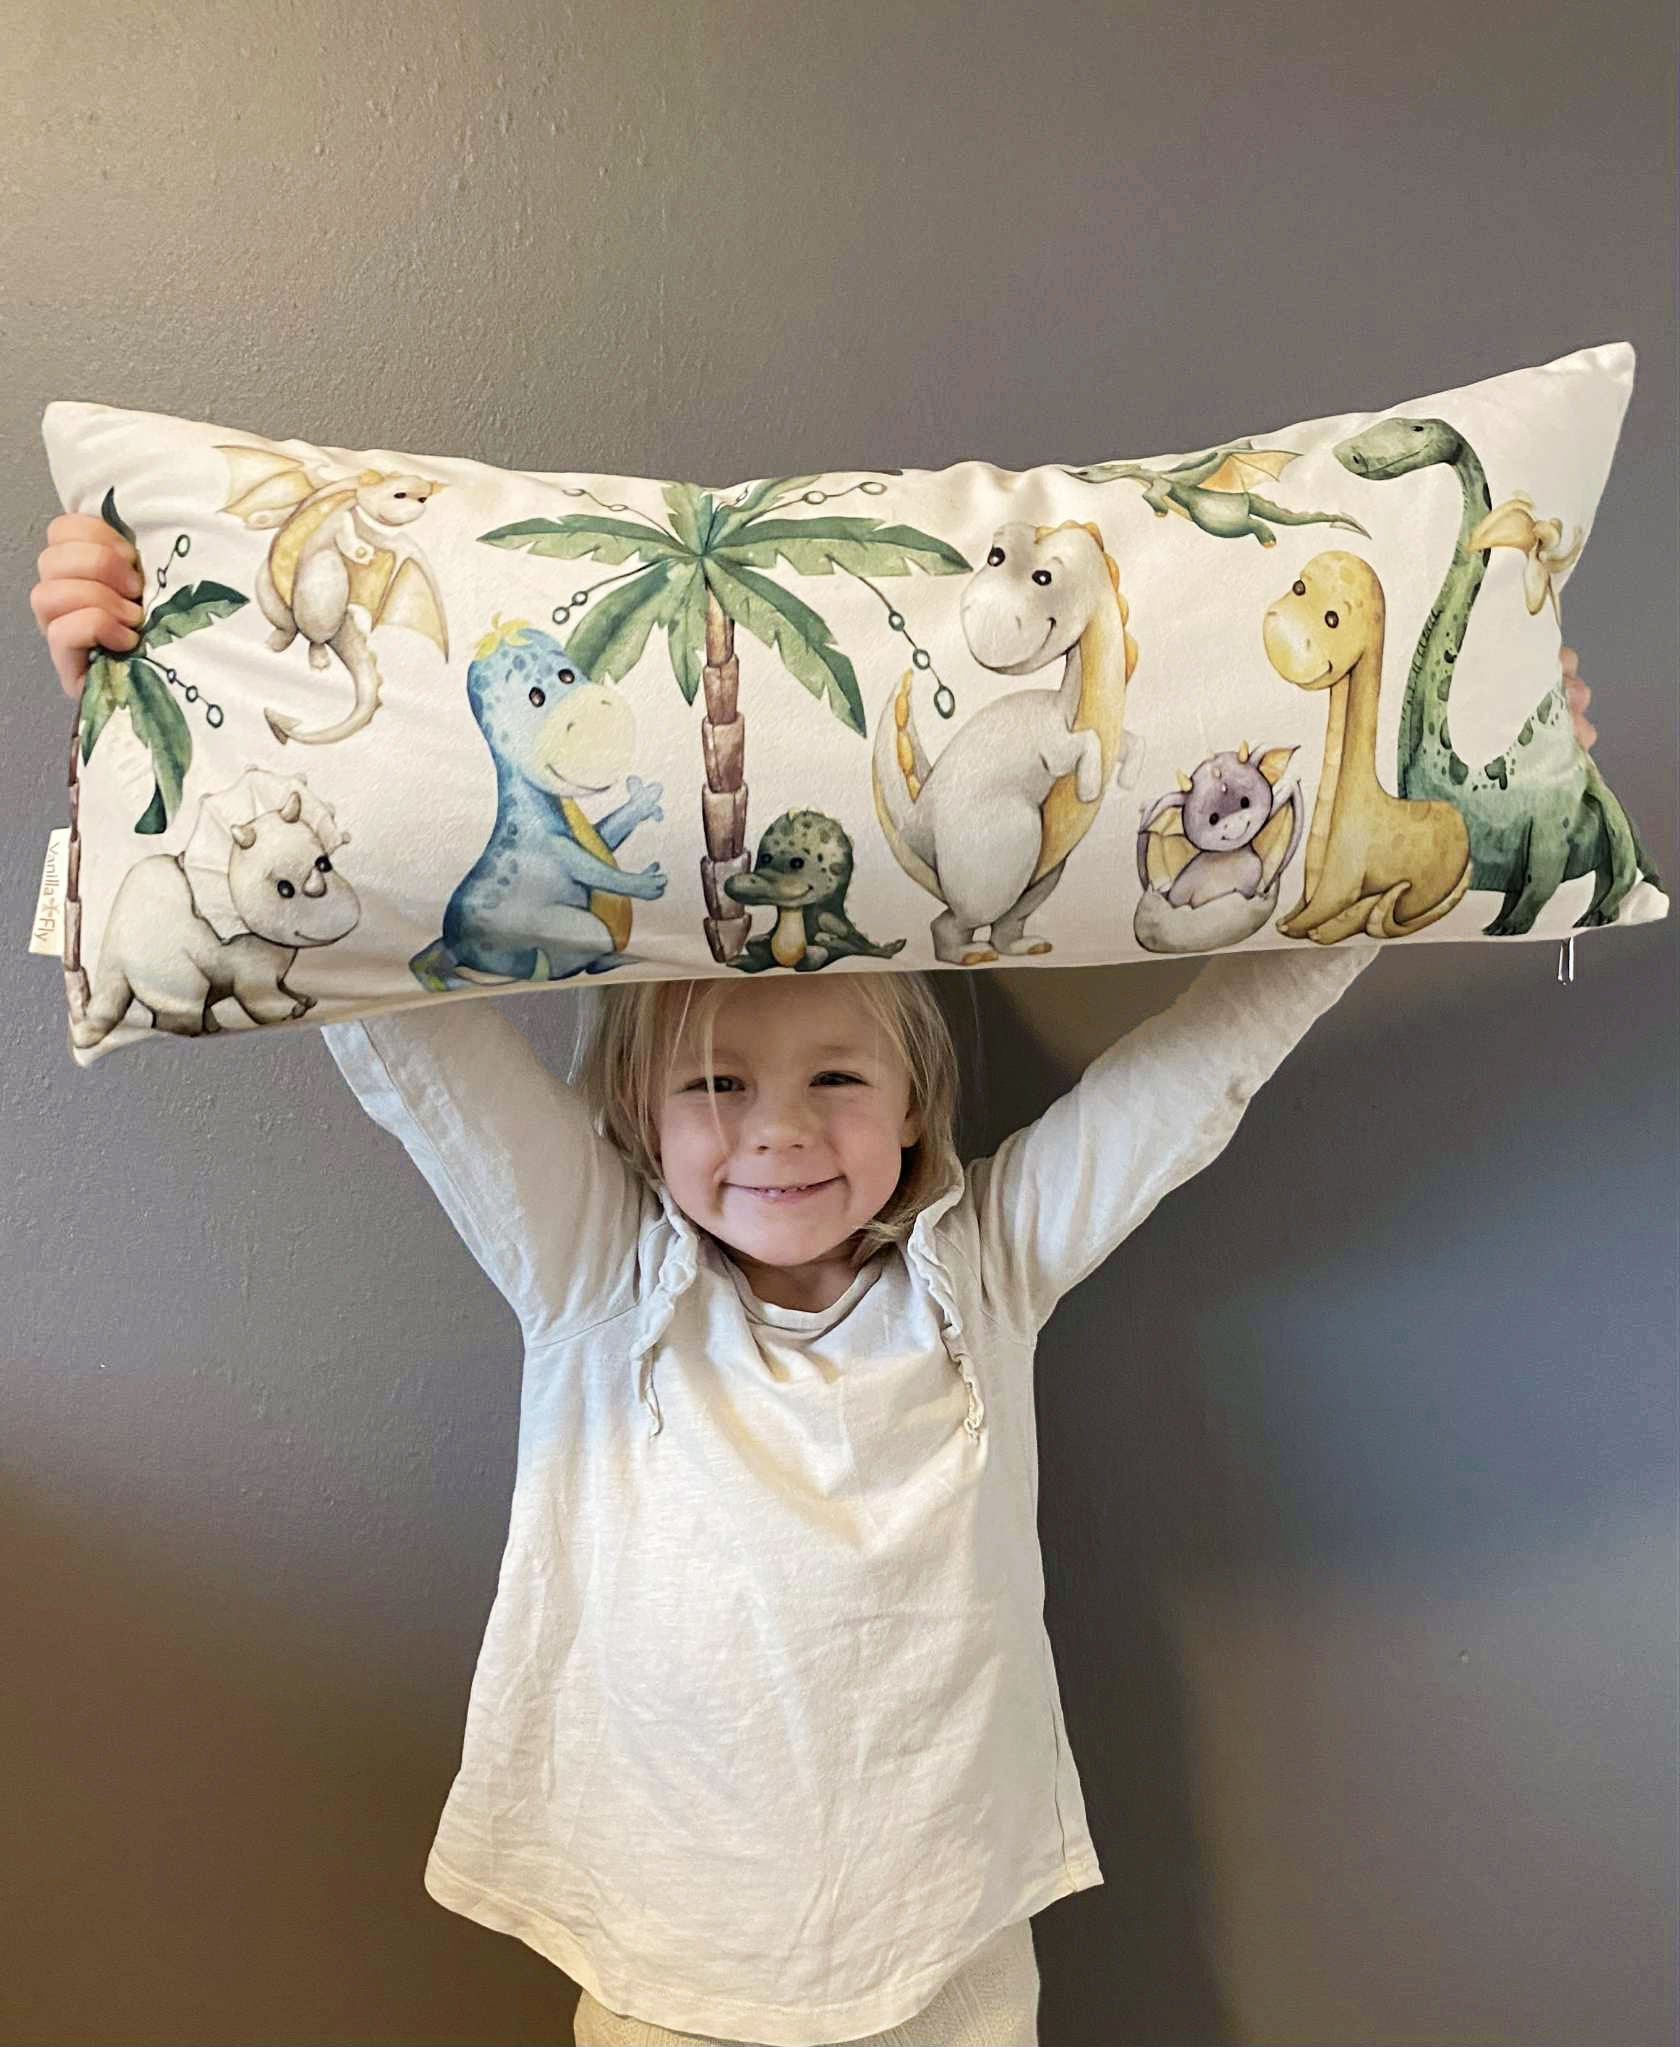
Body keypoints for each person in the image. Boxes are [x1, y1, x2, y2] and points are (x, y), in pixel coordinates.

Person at [31, 514, 1601, 2047]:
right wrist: (157, 706)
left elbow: (1197, 1073)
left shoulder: (982, 1269)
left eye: (836, 1080)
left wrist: (1456, 771)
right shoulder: (598, 1278)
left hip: (949, 1961)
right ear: (638, 1114)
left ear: (916, 1103)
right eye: (716, 1086)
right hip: (669, 1968)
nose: (778, 1133)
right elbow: (398, 1038)